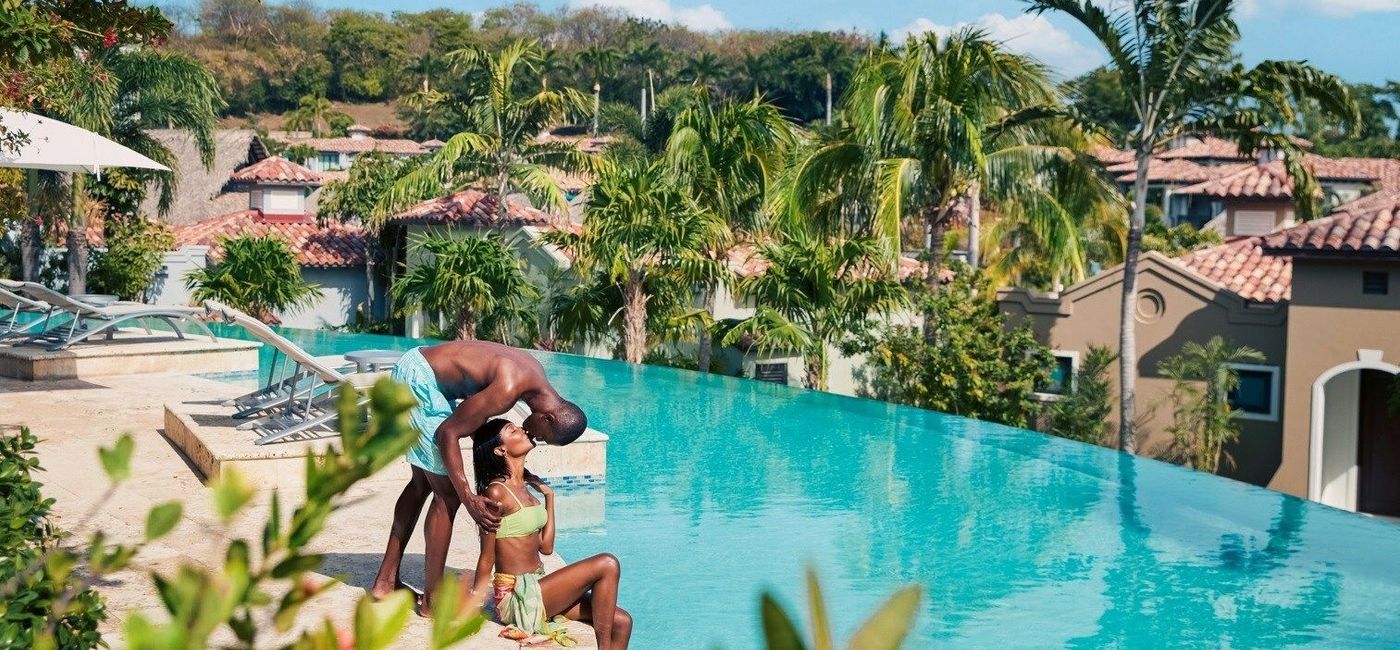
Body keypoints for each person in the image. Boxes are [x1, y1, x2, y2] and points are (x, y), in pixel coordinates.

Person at [369, 340, 589, 609]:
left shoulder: (534, 373)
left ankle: (385, 582)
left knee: (421, 484)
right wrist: (469, 498)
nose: (534, 436)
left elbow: (471, 422)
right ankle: (431, 603)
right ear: (549, 418)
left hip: (422, 369)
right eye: (542, 436)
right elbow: (447, 433)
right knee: (448, 496)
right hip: (420, 380)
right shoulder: (509, 388)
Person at [470, 419, 631, 649]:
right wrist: (473, 603)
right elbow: (487, 557)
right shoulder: (496, 492)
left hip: (539, 587)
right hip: (518, 597)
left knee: (623, 622)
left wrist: (549, 496)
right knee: (608, 563)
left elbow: (546, 547)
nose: (523, 430)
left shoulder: (526, 488)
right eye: (512, 430)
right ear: (500, 449)